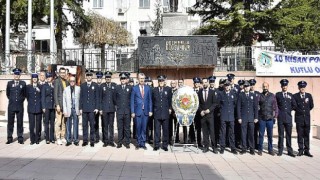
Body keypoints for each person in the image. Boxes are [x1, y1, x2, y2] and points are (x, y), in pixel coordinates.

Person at [131, 73, 153, 150]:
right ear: (138, 79)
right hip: (137, 112)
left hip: (146, 112)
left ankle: (143, 143)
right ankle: (138, 143)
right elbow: (132, 101)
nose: (142, 80)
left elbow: (150, 100)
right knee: (138, 128)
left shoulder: (148, 88)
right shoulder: (134, 88)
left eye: (143, 78)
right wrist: (132, 112)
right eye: (140, 78)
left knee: (144, 128)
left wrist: (150, 110)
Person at [275, 79, 296, 157]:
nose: (284, 87)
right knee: (280, 135)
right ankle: (280, 150)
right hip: (280, 118)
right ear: (281, 86)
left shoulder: (291, 95)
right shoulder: (278, 95)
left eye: (285, 86)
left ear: (287, 86)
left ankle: (289, 151)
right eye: (283, 86)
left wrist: (289, 110)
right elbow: (275, 105)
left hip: (288, 118)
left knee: (288, 135)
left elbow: (294, 105)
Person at [293, 81, 314, 157]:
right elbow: (294, 106)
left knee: (306, 135)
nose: (302, 88)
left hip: (307, 119)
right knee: (300, 135)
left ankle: (307, 150)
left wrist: (305, 111)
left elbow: (311, 106)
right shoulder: (295, 96)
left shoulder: (309, 95)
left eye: (303, 87)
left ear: (305, 87)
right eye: (301, 87)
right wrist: (301, 112)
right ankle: (300, 150)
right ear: (298, 87)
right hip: (299, 119)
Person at [237, 81, 258, 155]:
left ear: (249, 87)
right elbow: (238, 107)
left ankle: (252, 149)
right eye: (245, 87)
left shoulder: (253, 95)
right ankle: (244, 148)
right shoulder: (241, 95)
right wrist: (239, 117)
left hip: (251, 118)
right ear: (244, 87)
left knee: (251, 134)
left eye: (248, 86)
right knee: (243, 134)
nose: (246, 88)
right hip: (243, 118)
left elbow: (255, 107)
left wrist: (256, 117)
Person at [6, 68, 26, 144]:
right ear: (13, 75)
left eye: (18, 74)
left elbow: (24, 94)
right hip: (11, 106)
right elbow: (8, 94)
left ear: (20, 75)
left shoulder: (23, 83)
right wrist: (12, 100)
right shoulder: (9, 83)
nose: (16, 76)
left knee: (20, 122)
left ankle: (20, 138)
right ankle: (9, 138)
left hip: (20, 106)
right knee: (10, 122)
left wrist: (20, 101)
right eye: (15, 74)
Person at [198, 77, 218, 153]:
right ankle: (206, 147)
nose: (204, 84)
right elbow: (198, 104)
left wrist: (209, 110)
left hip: (210, 115)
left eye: (206, 82)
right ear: (202, 84)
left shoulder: (212, 92)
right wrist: (201, 111)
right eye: (203, 82)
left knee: (212, 132)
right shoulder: (199, 92)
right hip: (203, 116)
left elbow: (214, 103)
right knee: (205, 132)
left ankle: (214, 147)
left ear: (208, 83)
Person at [257, 82, 278, 156]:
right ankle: (260, 149)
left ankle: (270, 149)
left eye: (266, 86)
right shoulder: (259, 95)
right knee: (261, 135)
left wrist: (275, 117)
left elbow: (275, 107)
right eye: (264, 86)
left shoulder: (272, 96)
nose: (265, 88)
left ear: (268, 87)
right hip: (262, 119)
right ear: (262, 87)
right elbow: (257, 106)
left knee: (270, 135)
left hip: (270, 119)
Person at [152, 75, 172, 151]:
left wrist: (170, 108)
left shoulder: (168, 89)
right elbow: (153, 101)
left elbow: (170, 100)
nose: (161, 82)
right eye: (160, 81)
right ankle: (156, 145)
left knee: (165, 130)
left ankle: (165, 145)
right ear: (158, 82)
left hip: (165, 113)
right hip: (157, 113)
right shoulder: (154, 90)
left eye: (162, 81)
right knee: (157, 130)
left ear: (164, 81)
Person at [80, 69, 99, 147]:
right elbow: (81, 98)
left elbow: (97, 97)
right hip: (84, 109)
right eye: (87, 75)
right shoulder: (83, 85)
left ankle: (92, 140)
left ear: (92, 76)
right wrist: (80, 108)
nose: (89, 77)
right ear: (86, 76)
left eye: (90, 75)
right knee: (84, 125)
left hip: (92, 109)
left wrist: (97, 107)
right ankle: (85, 140)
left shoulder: (95, 85)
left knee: (92, 125)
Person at [218, 80, 238, 154]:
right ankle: (222, 147)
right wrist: (221, 112)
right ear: (224, 86)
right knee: (223, 133)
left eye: (228, 85)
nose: (227, 87)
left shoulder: (233, 94)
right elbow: (218, 105)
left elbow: (235, 104)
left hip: (231, 116)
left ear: (230, 86)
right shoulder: (221, 94)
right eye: (226, 85)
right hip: (223, 116)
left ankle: (233, 148)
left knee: (232, 133)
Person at [115, 73, 132, 149]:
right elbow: (114, 98)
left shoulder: (130, 88)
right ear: (120, 80)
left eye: (124, 79)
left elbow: (132, 99)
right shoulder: (117, 88)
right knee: (120, 127)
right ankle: (119, 142)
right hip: (119, 111)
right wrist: (117, 107)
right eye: (122, 79)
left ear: (126, 80)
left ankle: (127, 142)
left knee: (127, 128)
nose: (123, 80)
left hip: (127, 111)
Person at [100, 71, 116, 147]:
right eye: (106, 77)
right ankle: (106, 141)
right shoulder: (102, 86)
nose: (108, 78)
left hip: (112, 109)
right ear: (105, 78)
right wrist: (100, 109)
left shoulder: (114, 85)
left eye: (109, 77)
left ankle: (111, 140)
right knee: (105, 125)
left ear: (111, 78)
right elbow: (100, 99)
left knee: (111, 125)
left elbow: (116, 97)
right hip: (104, 109)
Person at [63, 76, 81, 146]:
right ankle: (68, 140)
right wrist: (65, 110)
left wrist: (80, 109)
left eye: (73, 81)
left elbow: (80, 100)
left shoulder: (79, 89)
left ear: (75, 81)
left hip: (76, 109)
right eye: (71, 81)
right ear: (69, 81)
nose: (72, 82)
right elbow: (64, 101)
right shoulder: (66, 89)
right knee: (68, 125)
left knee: (76, 125)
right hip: (68, 109)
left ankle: (76, 140)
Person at [54, 67, 69, 145]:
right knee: (58, 122)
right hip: (59, 105)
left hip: (65, 106)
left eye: (64, 72)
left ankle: (63, 137)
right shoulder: (57, 81)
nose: (63, 74)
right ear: (59, 73)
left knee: (64, 123)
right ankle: (58, 137)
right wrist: (57, 105)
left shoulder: (66, 82)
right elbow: (55, 94)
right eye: (61, 72)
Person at [26, 73, 42, 145]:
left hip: (38, 107)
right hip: (31, 108)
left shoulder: (40, 86)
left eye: (36, 78)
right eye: (33, 78)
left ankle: (37, 139)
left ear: (37, 79)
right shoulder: (28, 87)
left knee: (38, 124)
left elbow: (42, 97)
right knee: (31, 125)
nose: (34, 79)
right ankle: (32, 139)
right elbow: (27, 96)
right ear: (32, 79)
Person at [41, 72, 55, 144]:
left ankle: (52, 137)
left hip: (53, 107)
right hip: (46, 107)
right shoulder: (44, 86)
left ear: (52, 78)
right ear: (46, 78)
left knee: (52, 123)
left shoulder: (53, 85)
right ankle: (47, 138)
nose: (49, 78)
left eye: (50, 77)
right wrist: (43, 106)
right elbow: (42, 97)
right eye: (48, 77)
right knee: (46, 123)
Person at [249, 79, 260, 150]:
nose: (252, 86)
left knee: (256, 131)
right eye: (251, 85)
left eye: (253, 85)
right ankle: (248, 144)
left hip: (256, 115)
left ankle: (256, 144)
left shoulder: (258, 94)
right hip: (249, 115)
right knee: (249, 131)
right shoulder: (247, 93)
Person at [95, 71, 104, 143]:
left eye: (100, 78)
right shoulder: (94, 85)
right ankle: (96, 137)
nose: (99, 79)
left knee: (104, 123)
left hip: (103, 108)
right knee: (95, 123)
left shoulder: (104, 86)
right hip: (95, 108)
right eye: (98, 78)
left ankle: (104, 138)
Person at [145, 76, 154, 144]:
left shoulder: (154, 89)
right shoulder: (144, 89)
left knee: (151, 125)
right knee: (145, 124)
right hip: (145, 109)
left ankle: (150, 137)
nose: (148, 83)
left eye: (150, 81)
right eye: (147, 81)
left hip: (152, 109)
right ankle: (145, 137)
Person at [169, 80, 178, 144]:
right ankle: (169, 139)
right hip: (169, 111)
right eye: (172, 83)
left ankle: (176, 139)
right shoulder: (168, 90)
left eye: (174, 83)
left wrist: (176, 111)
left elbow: (179, 102)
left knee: (176, 125)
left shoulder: (178, 91)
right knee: (169, 126)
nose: (173, 84)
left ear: (176, 84)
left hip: (176, 111)